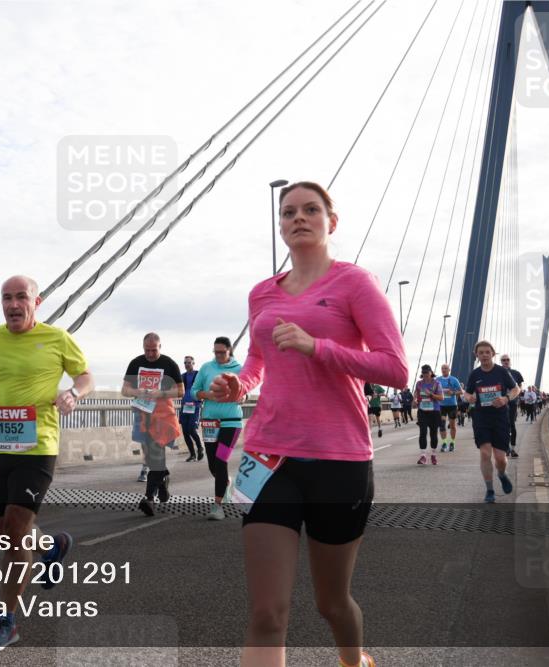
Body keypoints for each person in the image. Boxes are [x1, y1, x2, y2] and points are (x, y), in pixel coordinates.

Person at [209, 181, 407, 667]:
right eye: (289, 212)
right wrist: (239, 385)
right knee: (266, 613)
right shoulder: (261, 293)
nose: (298, 218)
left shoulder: (354, 283)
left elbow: (395, 369)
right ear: (280, 225)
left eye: (311, 210)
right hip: (268, 453)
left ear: (330, 223)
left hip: (338, 459)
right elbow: (257, 359)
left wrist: (317, 346)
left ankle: (352, 659)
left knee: (332, 604)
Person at [0, 274, 93, 653]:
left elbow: (85, 374)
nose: (13, 304)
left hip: (39, 446)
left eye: (21, 297)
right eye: (6, 298)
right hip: (0, 445)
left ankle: (6, 620)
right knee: (1, 534)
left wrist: (73, 393)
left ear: (37, 301)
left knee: (16, 532)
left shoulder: (57, 338)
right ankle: (51, 546)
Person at [122, 333, 183, 517]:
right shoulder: (136, 363)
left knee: (156, 454)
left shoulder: (169, 364)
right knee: (151, 457)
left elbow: (180, 391)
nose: (149, 353)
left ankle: (149, 498)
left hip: (163, 418)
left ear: (160, 347)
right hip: (143, 417)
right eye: (146, 350)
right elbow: (125, 390)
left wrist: (160, 393)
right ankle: (163, 478)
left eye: (153, 350)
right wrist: (138, 391)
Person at [189, 337, 242, 521]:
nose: (218, 355)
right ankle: (226, 482)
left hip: (231, 422)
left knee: (221, 461)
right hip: (210, 423)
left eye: (222, 352)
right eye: (216, 352)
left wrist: (240, 396)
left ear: (229, 351)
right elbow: (193, 391)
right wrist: (207, 394)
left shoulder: (239, 369)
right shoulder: (206, 368)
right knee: (213, 464)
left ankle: (217, 506)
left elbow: (245, 391)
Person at [464, 341, 520, 503]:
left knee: (500, 458)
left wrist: (506, 398)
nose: (484, 355)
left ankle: (502, 474)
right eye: (481, 352)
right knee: (485, 453)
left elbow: (516, 389)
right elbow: (466, 394)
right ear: (477, 355)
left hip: (500, 418)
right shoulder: (474, 374)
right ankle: (489, 490)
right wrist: (470, 398)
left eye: (487, 352)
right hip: (481, 418)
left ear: (492, 354)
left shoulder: (502, 372)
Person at [414, 365, 444, 465]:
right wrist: (414, 400)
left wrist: (431, 395)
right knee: (422, 432)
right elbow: (416, 394)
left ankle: (433, 454)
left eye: (427, 372)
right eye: (424, 373)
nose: (425, 374)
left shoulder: (436, 383)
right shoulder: (419, 384)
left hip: (434, 411)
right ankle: (423, 456)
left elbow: (441, 397)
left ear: (431, 372)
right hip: (422, 411)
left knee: (433, 434)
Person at [180, 355, 204, 462]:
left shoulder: (198, 374)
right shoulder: (182, 376)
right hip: (185, 406)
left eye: (189, 362)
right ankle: (192, 454)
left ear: (193, 363)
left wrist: (202, 397)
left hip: (195, 406)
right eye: (185, 363)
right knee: (185, 431)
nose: (187, 364)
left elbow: (204, 386)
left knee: (192, 429)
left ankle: (200, 447)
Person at [499, 354, 524, 457]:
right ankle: (506, 447)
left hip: (512, 403)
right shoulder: (497, 373)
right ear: (501, 362)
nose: (505, 361)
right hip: (501, 403)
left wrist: (514, 395)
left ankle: (512, 448)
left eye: (507, 359)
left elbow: (520, 388)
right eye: (503, 360)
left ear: (510, 361)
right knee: (503, 426)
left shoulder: (516, 373)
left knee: (512, 425)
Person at [437, 364, 462, 452]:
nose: (444, 370)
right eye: (442, 368)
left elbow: (461, 391)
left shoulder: (454, 379)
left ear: (449, 370)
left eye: (446, 368)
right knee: (442, 425)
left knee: (452, 425)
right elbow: (433, 390)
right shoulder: (437, 380)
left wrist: (453, 393)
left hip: (452, 405)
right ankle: (444, 443)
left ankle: (452, 443)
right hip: (441, 405)